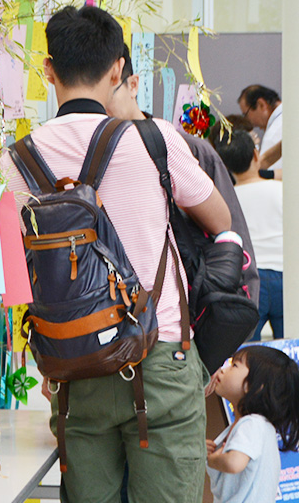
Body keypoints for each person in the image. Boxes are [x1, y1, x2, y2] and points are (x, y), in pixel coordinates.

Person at [1, 5, 232, 503]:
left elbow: (19, 271)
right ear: (117, 71)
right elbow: (220, 219)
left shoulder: (17, 162)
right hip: (159, 357)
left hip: (74, 366)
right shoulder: (153, 141)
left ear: (48, 69)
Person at [107, 46, 259, 302]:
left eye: (107, 95)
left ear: (133, 85)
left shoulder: (187, 149)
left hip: (187, 314)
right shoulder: (91, 158)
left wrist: (237, 311)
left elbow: (232, 235)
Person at [210, 125, 284, 340]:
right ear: (255, 154)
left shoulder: (226, 199)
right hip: (284, 277)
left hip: (250, 282)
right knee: (292, 348)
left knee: (246, 351)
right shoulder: (281, 190)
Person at [206, 346, 299, 503]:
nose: (224, 370)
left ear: (255, 386)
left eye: (234, 365)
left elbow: (234, 462)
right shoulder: (255, 425)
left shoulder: (252, 424)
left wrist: (212, 460)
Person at [237, 85, 282, 177]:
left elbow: (270, 177)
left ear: (261, 104)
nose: (248, 121)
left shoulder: (273, 135)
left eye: (246, 114)